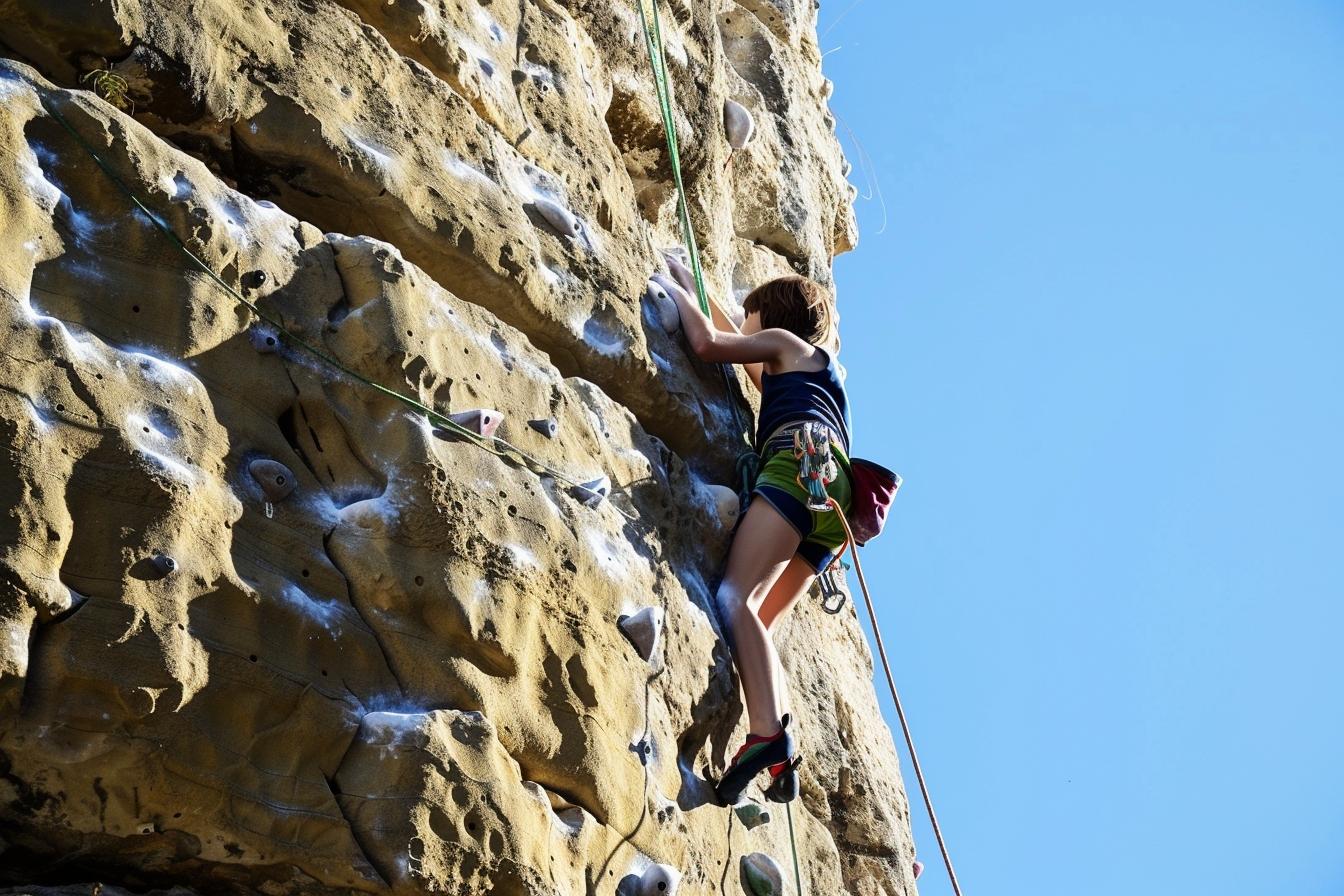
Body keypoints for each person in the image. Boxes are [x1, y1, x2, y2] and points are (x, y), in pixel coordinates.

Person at [653, 258, 853, 805]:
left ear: (770, 321)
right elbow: (745, 355)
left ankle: (768, 736)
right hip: (829, 502)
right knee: (756, 620)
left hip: (798, 465)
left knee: (733, 596)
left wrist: (677, 292)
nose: (748, 328)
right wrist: (702, 289)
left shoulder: (787, 345)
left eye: (751, 318)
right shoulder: (810, 370)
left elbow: (713, 345)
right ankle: (780, 756)